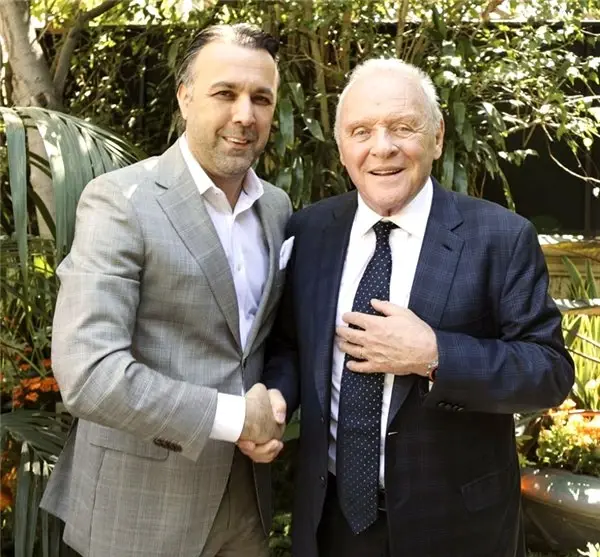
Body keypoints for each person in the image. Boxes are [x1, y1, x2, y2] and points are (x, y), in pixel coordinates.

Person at [242, 58, 575, 557]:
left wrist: (434, 354)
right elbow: (291, 344)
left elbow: (549, 372)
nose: (382, 147)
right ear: (342, 148)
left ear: (437, 137)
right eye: (361, 131)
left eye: (402, 127)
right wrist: (278, 395)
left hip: (457, 529)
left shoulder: (500, 237)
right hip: (333, 522)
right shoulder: (310, 231)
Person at [41, 23, 291, 557]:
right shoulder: (121, 200)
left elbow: (259, 342)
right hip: (140, 508)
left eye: (261, 98)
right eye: (225, 93)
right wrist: (235, 417)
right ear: (185, 97)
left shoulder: (276, 207)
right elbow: (89, 373)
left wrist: (273, 401)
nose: (244, 115)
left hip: (246, 501)